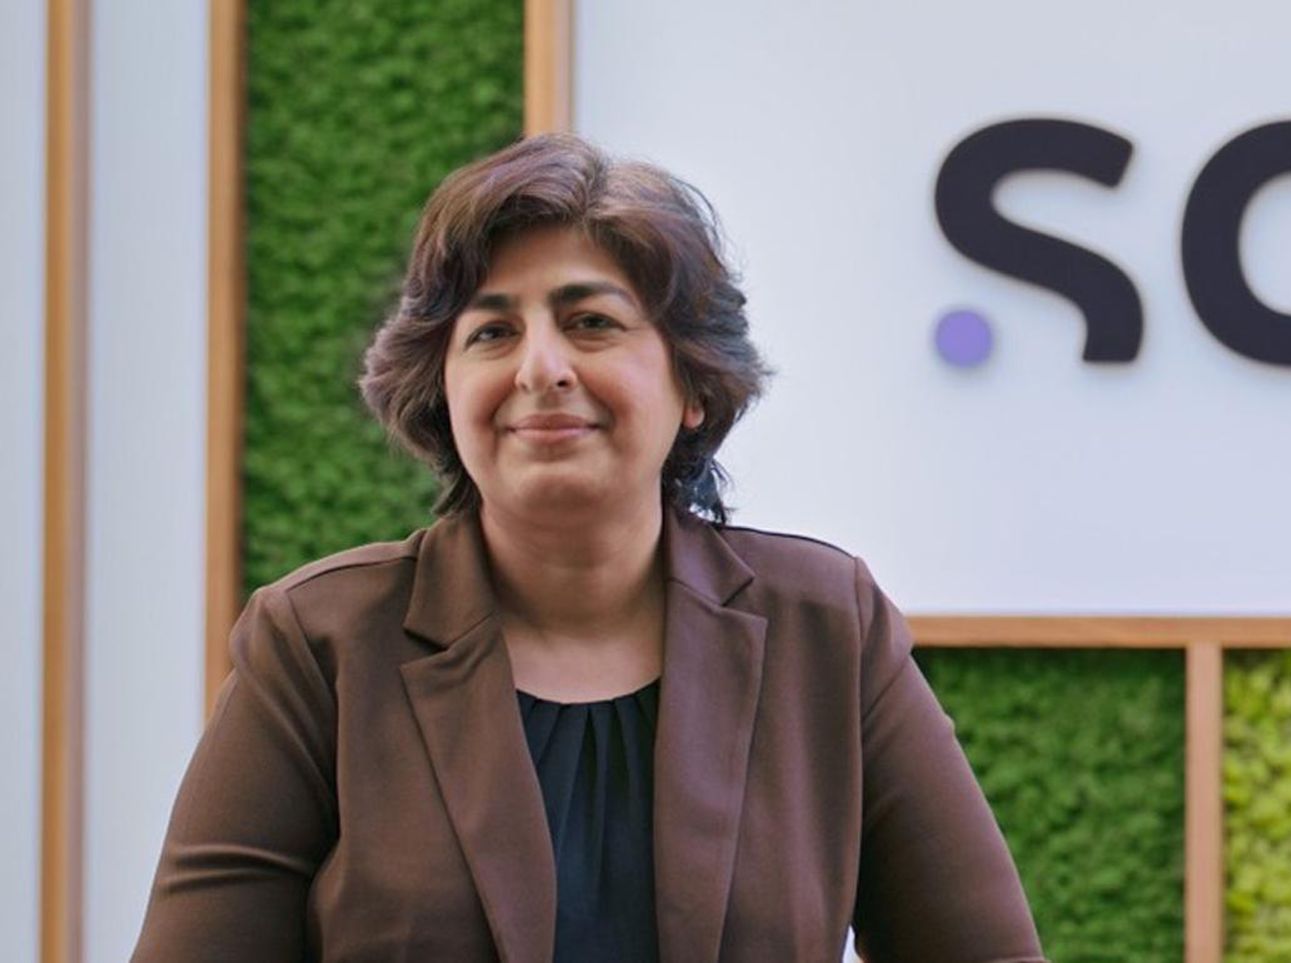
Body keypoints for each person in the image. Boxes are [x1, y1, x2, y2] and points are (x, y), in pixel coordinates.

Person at [132, 133, 1045, 962]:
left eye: (591, 322)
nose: (541, 368)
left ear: (694, 383)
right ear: (443, 392)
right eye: (492, 332)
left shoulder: (825, 628)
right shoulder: (319, 644)